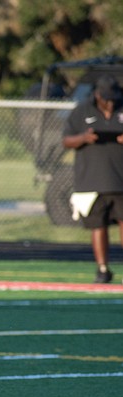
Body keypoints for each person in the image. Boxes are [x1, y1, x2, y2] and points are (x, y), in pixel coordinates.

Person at [63, 74, 123, 284]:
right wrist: (84, 138)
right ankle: (103, 268)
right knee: (97, 226)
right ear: (97, 95)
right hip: (91, 181)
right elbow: (66, 140)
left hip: (120, 181)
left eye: (113, 97)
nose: (110, 102)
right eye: (106, 98)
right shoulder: (82, 111)